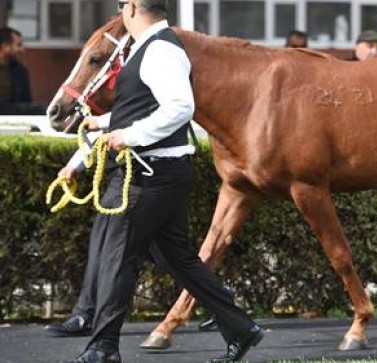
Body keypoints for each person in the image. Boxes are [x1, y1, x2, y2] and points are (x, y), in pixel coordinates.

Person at [57, 1, 263, 362]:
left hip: (149, 173)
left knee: (116, 257)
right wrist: (105, 124)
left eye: (122, 6)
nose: (121, 12)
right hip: (158, 171)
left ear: (132, 7)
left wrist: (129, 136)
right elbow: (151, 105)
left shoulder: (161, 50)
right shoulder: (152, 48)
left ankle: (104, 347)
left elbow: (179, 107)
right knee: (178, 260)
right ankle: (241, 328)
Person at [0, 26, 36, 114]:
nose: (22, 50)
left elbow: (26, 105)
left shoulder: (21, 71)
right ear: (5, 47)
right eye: (18, 45)